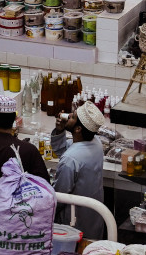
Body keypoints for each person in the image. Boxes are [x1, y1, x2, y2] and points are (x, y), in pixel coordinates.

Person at [51, 101, 107, 239]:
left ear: (78, 129)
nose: (68, 115)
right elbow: (64, 149)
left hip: (74, 223)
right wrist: (60, 131)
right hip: (94, 217)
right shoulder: (96, 143)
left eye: (73, 117)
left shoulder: (71, 159)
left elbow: (59, 196)